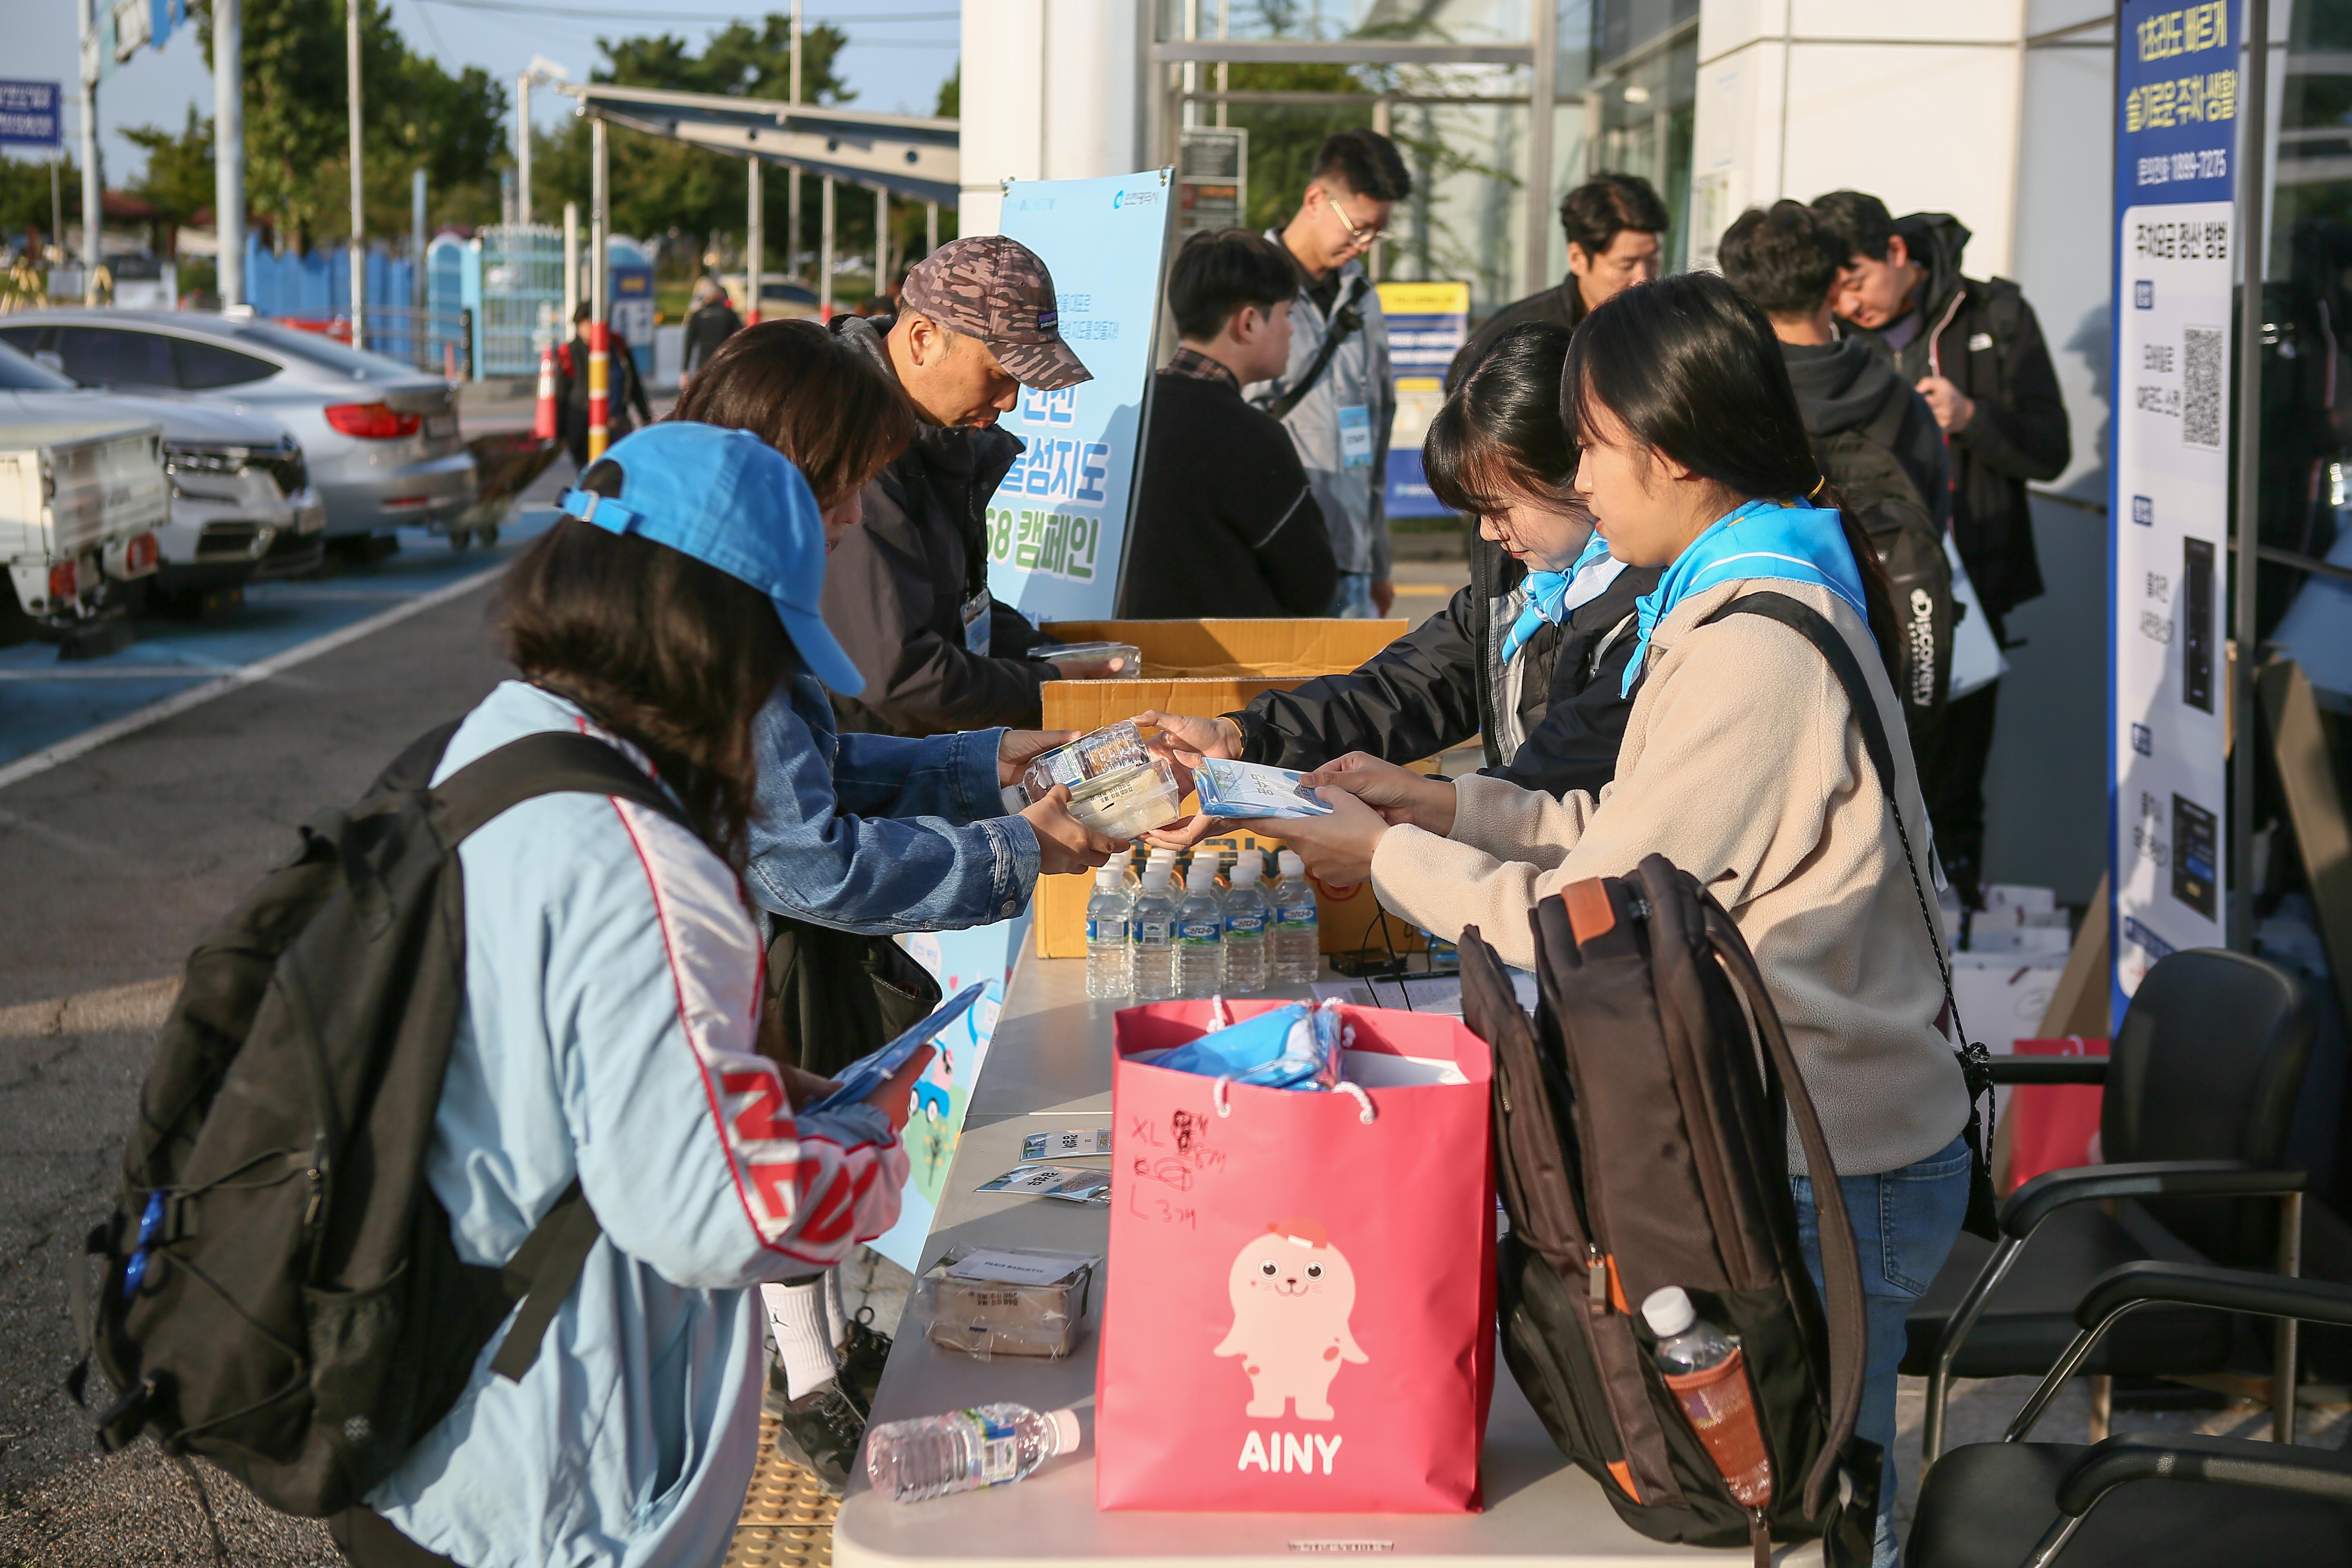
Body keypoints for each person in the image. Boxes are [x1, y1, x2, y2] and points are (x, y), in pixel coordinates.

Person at [1258, 274, 1970, 1568]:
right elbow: (1629, 830)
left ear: (1673, 446)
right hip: (1798, 1129)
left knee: (1791, 1517)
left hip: (1823, 1153)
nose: (1581, 481)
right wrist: (1446, 800)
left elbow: (1594, 917)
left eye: (1591, 443)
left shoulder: (1755, 641)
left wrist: (1392, 850)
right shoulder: (1731, 594)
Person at [345, 421, 925, 1568]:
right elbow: (722, 1213)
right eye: (775, 644)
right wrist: (868, 1139)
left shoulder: (488, 747)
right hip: (545, 1476)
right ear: (706, 627)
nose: (774, 689)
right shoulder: (648, 860)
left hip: (404, 1389)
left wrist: (740, 1085)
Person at [668, 319, 1126, 1490]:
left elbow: (822, 767)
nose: (844, 529)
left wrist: (994, 759)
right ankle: (803, 1381)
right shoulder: (715, 628)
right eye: (837, 498)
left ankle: (805, 1370)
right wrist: (1016, 849)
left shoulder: (711, 591)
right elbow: (810, 860)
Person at [1137, 320, 1655, 825]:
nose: (1489, 534)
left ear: (1581, 470)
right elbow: (1406, 687)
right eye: (1477, 514)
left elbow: (1559, 784)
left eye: (1500, 509)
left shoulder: (1658, 608)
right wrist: (1247, 738)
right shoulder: (1525, 579)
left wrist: (1392, 818)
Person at [1812, 189, 2071, 904]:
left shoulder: (1995, 316)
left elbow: (2051, 450)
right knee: (1856, 783)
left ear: (1897, 253)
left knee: (1953, 788)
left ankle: (1953, 948)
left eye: (1857, 280)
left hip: (1967, 599)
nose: (1850, 303)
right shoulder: (1829, 336)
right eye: (1835, 290)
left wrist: (1971, 417)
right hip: (1859, 591)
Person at [824, 235, 1114, 737]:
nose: (1011, 403)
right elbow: (894, 676)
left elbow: (953, 607)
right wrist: (1047, 684)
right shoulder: (851, 445)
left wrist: (1049, 657)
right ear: (923, 339)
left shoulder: (932, 434)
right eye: (999, 375)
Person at [1719, 199, 1954, 743]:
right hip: (1885, 668)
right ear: (1831, 286)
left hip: (1766, 666)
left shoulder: (1734, 402)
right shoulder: (1899, 396)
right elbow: (1933, 520)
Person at [1120, 229, 1336, 618]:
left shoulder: (1128, 411)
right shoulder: (1250, 436)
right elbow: (1312, 583)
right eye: (1288, 315)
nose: (1291, 330)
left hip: (1124, 649)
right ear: (1249, 323)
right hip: (1221, 665)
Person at [1253, 128, 1412, 619]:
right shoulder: (1248, 285)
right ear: (1315, 199)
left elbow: (1378, 429)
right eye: (1359, 228)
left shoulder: (1363, 299)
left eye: (1377, 234)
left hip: (1353, 565)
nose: (1365, 245)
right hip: (1274, 558)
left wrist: (1378, 560)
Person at [1449, 172, 1668, 384]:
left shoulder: (1671, 328)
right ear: (1577, 258)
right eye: (1626, 265)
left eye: (1652, 260)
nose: (1643, 278)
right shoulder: (1517, 335)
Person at [553, 302, 657, 468]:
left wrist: (646, 416)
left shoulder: (617, 347)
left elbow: (634, 383)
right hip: (581, 429)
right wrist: (560, 433)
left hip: (616, 426)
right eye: (583, 325)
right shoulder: (569, 353)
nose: (587, 330)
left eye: (590, 324)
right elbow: (561, 395)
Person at [680, 274, 743, 380]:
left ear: (705, 296)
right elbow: (741, 337)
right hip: (725, 362)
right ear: (719, 294)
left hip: (704, 364)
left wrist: (685, 370)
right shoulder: (729, 314)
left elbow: (689, 342)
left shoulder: (698, 315)